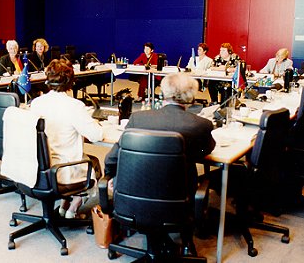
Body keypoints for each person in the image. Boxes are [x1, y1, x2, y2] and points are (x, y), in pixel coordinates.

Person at [104, 72, 215, 197]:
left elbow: (111, 158)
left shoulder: (138, 119)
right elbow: (204, 151)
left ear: (163, 93)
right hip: (179, 199)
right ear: (191, 97)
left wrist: (110, 176)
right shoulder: (201, 125)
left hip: (132, 199)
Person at [30, 59, 103, 219]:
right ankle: (75, 204)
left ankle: (64, 206)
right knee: (94, 163)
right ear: (71, 81)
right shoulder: (74, 106)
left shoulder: (36, 103)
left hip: (39, 169)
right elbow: (96, 135)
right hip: (65, 170)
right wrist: (94, 122)